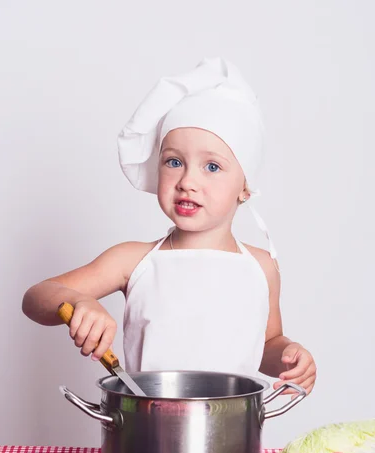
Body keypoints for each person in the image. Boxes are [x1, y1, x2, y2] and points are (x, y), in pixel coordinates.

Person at [22, 57, 316, 398]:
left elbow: (266, 342)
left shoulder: (262, 267)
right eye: (174, 162)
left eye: (212, 166)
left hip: (230, 434)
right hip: (144, 431)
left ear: (245, 187)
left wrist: (288, 356)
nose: (187, 181)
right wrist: (74, 301)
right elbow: (36, 298)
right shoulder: (132, 260)